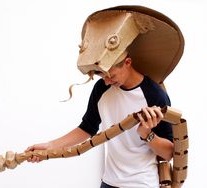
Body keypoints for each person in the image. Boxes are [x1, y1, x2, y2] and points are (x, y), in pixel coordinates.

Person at [26, 5, 184, 188]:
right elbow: (87, 128)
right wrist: (51, 146)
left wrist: (147, 134)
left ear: (127, 62)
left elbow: (169, 153)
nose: (107, 81)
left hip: (142, 184)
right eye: (103, 76)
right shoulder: (101, 89)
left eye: (111, 75)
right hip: (108, 183)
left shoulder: (154, 94)